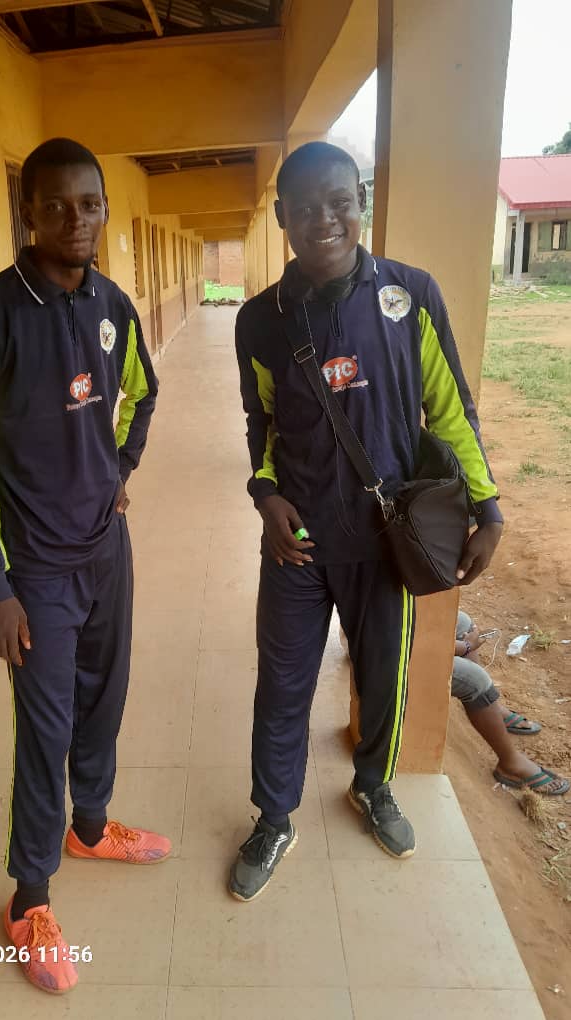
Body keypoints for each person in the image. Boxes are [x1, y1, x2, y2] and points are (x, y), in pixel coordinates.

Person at [230, 141, 504, 901]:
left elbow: (450, 407)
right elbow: (260, 423)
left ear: (361, 203)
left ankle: (372, 786)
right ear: (281, 216)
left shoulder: (409, 294)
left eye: (340, 202)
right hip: (298, 543)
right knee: (281, 684)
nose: (325, 219)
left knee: (384, 676)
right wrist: (265, 495)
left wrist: (487, 507)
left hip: (385, 539)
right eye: (305, 207)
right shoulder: (259, 321)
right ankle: (273, 817)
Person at [0, 138, 169, 994]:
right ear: (27, 213)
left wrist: (118, 468)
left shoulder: (112, 302)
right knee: (45, 730)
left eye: (90, 204)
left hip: (105, 550)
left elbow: (143, 391)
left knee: (104, 696)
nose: (76, 220)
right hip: (34, 569)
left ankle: (92, 826)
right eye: (56, 206)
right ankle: (29, 896)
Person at [453, 612, 568, 794]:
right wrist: (465, 646)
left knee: (463, 623)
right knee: (476, 681)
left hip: (413, 632)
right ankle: (510, 763)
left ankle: (491, 709)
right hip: (406, 654)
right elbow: (420, 641)